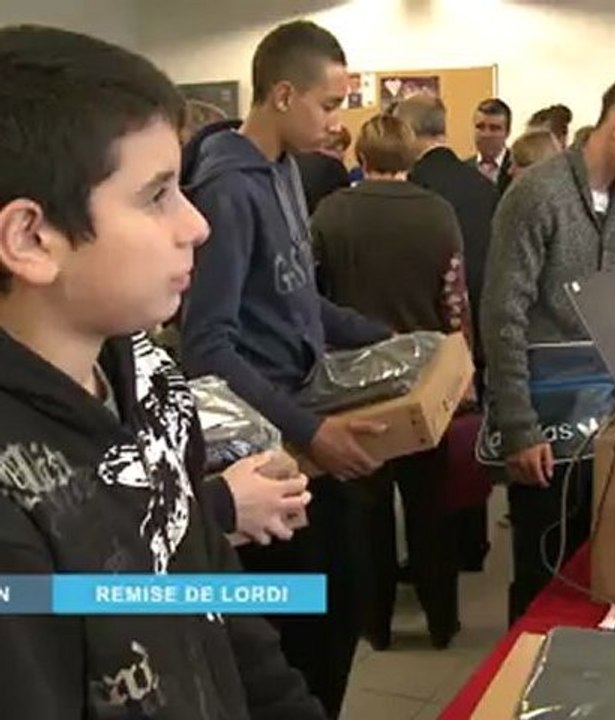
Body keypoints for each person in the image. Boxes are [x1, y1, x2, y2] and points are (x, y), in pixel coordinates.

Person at [0, 24, 326, 719]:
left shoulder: (150, 379)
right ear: (31, 239)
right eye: (156, 196)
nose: (196, 225)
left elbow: (227, 625)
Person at [179, 21, 392, 718]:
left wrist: (395, 341)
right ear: (280, 94)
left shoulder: (286, 173)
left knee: (342, 609)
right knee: (301, 636)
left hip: (307, 422)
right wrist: (310, 430)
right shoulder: (227, 191)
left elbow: (299, 300)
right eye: (328, 106)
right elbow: (206, 346)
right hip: (272, 447)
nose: (338, 125)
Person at [481, 73, 615, 622]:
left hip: (613, 427)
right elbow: (503, 316)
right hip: (547, 428)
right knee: (540, 573)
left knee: (599, 569)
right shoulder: (534, 195)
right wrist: (519, 426)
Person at [311, 114, 471, 650]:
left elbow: (315, 297)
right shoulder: (438, 212)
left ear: (361, 156)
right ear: (410, 155)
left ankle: (374, 625)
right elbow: (454, 298)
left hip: (355, 383)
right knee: (431, 507)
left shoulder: (331, 212)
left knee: (367, 512)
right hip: (425, 378)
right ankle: (442, 621)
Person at [394, 94, 498, 572]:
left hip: (424, 336)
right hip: (478, 332)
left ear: (411, 134)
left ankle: (430, 560)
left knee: (427, 465)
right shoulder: (482, 186)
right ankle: (472, 546)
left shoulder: (413, 190)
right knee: (469, 442)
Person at [297, 125, 352, 213]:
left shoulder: (294, 161)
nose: (344, 155)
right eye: (344, 149)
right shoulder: (335, 169)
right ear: (339, 147)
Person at [466, 97, 513, 195]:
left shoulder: (517, 169)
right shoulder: (462, 170)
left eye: (494, 128)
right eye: (480, 127)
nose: (486, 134)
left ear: (507, 133)